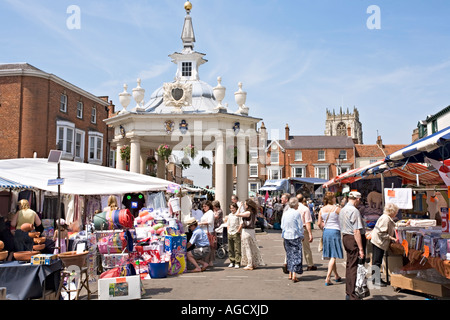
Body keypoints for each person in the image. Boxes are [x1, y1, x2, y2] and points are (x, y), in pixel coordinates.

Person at [339, 191, 366, 300]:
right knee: (353, 265)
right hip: (352, 239)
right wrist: (361, 249)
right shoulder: (354, 211)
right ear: (357, 199)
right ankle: (352, 293)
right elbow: (356, 231)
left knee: (350, 264)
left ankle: (349, 291)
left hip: (345, 236)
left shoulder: (343, 209)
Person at [370, 202, 399, 286]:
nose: (396, 213)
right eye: (396, 211)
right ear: (392, 211)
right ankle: (376, 280)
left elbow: (393, 225)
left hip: (379, 241)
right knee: (377, 261)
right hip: (378, 242)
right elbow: (381, 233)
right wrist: (391, 238)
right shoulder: (385, 218)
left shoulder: (387, 217)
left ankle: (376, 279)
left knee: (377, 261)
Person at [318, 192, 343, 286]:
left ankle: (336, 275)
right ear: (332, 199)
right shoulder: (337, 209)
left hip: (326, 232)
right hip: (335, 231)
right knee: (333, 256)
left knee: (332, 255)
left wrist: (323, 228)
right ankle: (327, 278)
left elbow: (319, 224)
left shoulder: (321, 209)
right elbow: (344, 218)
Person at [236, 199, 265, 270]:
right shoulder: (252, 213)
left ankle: (249, 264)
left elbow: (237, 214)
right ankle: (253, 263)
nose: (244, 205)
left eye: (245, 204)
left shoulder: (248, 212)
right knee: (252, 247)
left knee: (247, 247)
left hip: (246, 231)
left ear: (248, 205)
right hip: (252, 231)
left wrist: (239, 207)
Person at [281, 197, 304, 282]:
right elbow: (300, 226)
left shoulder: (286, 213)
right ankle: (294, 274)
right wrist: (301, 235)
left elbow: (282, 226)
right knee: (296, 255)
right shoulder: (296, 213)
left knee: (289, 254)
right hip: (295, 236)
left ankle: (290, 273)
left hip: (286, 235)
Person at [296, 194, 316, 271]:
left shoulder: (293, 208)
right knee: (306, 247)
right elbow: (308, 222)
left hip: (295, 230)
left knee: (294, 247)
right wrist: (310, 233)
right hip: (303, 229)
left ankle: (292, 264)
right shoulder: (305, 209)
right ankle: (310, 264)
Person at [199, 200, 216, 267]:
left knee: (209, 247)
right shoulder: (206, 213)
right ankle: (208, 261)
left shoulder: (210, 212)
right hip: (204, 231)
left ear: (209, 206)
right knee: (207, 247)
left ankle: (208, 261)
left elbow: (210, 222)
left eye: (205, 206)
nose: (204, 208)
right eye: (203, 206)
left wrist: (200, 223)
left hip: (208, 232)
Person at [227, 202, 242, 268]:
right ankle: (231, 261)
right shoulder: (230, 215)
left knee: (237, 248)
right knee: (230, 248)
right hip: (230, 232)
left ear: (236, 208)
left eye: (233, 208)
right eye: (231, 208)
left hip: (236, 232)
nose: (232, 209)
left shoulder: (238, 215)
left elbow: (241, 223)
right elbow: (228, 223)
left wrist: (238, 231)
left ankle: (237, 262)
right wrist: (228, 230)